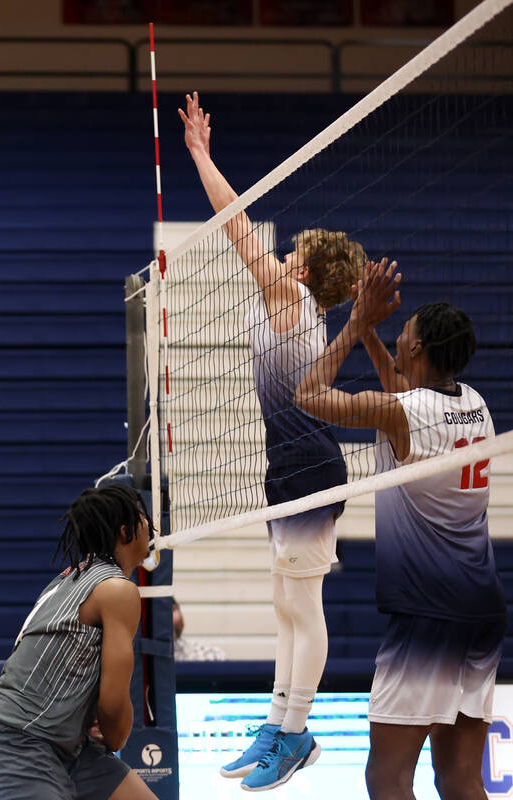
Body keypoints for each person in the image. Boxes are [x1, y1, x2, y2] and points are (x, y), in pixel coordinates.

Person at [180, 91, 366, 790]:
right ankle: (277, 725)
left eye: (292, 252)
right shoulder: (286, 305)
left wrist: (201, 154)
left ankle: (296, 733)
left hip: (312, 469)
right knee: (285, 604)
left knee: (303, 605)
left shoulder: (288, 299)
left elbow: (236, 226)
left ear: (307, 273)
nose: (281, 254)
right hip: (284, 465)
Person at [296, 260, 504, 800]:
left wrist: (354, 321)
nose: (399, 330)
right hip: (480, 612)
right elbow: (404, 393)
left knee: (386, 779)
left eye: (404, 328)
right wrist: (370, 335)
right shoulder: (476, 406)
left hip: (428, 617)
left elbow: (309, 393)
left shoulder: (404, 413)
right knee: (459, 780)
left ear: (417, 349)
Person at [0, 483, 159, 800]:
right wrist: (110, 731)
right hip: (23, 739)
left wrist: (81, 714)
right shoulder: (117, 591)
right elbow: (114, 704)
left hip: (67, 741)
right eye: (143, 518)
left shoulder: (70, 576)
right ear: (124, 531)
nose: (150, 525)